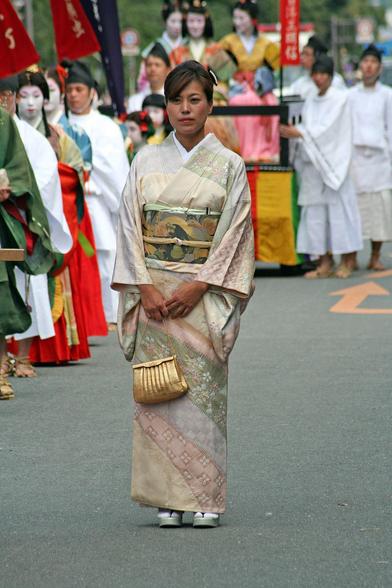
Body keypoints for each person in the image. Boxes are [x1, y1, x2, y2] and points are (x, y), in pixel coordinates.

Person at [112, 61, 255, 528]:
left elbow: (235, 233)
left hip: (203, 293)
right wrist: (146, 286)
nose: (185, 109)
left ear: (210, 105)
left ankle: (205, 496)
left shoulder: (230, 166)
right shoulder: (145, 161)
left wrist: (200, 284)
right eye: (176, 100)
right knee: (158, 392)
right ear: (166, 106)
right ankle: (165, 497)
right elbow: (129, 226)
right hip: (155, 295)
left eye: (195, 100)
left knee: (202, 391)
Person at [280, 55, 363, 278]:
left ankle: (347, 260)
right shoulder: (311, 101)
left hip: (335, 162)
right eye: (315, 74)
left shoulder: (341, 98)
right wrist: (298, 133)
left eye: (323, 74)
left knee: (339, 212)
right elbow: (310, 127)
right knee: (315, 213)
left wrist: (301, 133)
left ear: (330, 75)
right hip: (313, 165)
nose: (318, 78)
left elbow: (330, 130)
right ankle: (324, 261)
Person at [66, 60, 129, 328]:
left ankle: (108, 313)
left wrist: (89, 166)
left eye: (79, 89)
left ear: (92, 91)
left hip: (96, 199)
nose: (73, 95)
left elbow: (114, 167)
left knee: (105, 255)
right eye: (69, 89)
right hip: (68, 201)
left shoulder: (106, 126)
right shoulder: (58, 123)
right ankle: (75, 316)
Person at [45, 66, 107, 338]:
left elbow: (81, 172)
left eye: (49, 92)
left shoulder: (72, 132)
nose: (40, 101)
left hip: (69, 205)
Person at [0, 104, 54, 399]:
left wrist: (6, 182)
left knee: (4, 287)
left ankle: (9, 360)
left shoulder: (2, 121)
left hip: (3, 218)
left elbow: (22, 171)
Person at [219, 1, 280, 162]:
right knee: (242, 101)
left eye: (242, 18)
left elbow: (273, 69)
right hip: (237, 86)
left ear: (253, 19)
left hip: (259, 87)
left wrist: (259, 77)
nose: (237, 22)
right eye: (235, 18)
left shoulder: (266, 43)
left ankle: (267, 151)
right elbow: (219, 74)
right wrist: (234, 80)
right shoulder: (228, 42)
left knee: (272, 102)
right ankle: (242, 152)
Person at [349, 44, 392, 271]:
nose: (368, 66)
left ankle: (375, 255)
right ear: (360, 66)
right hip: (356, 159)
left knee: (379, 209)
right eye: (365, 62)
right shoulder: (350, 95)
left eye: (373, 62)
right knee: (355, 209)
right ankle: (352, 256)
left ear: (379, 67)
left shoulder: (387, 95)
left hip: (379, 161)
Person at [170, 0, 236, 83]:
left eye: (199, 21)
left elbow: (225, 81)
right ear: (185, 23)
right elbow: (173, 81)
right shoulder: (176, 52)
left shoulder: (216, 49)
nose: (195, 26)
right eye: (191, 21)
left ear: (206, 22)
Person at [137, 1, 184, 93]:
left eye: (180, 22)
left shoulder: (187, 46)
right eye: (173, 21)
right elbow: (143, 79)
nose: (177, 26)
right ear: (164, 22)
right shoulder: (153, 48)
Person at [128, 43, 171, 114]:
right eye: (149, 65)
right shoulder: (134, 101)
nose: (153, 69)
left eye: (157, 65)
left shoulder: (174, 100)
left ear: (168, 70)